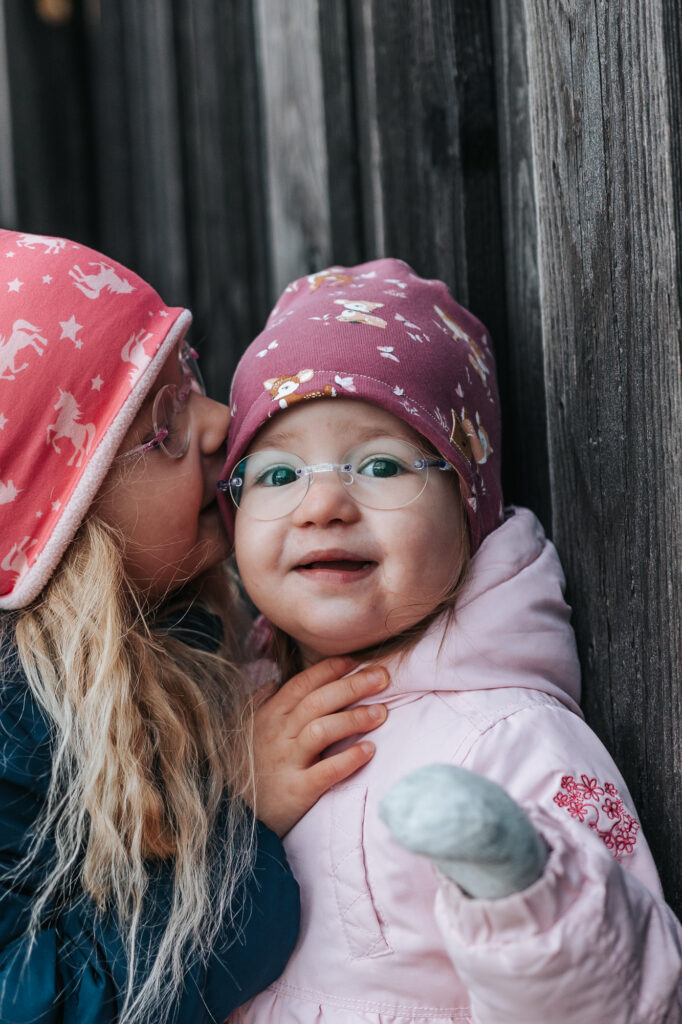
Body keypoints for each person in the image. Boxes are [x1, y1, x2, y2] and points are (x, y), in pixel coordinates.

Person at [218, 258, 682, 1023]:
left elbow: (630, 1003)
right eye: (275, 475)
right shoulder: (226, 710)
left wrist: (520, 883)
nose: (324, 504)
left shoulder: (509, 735)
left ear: (469, 505)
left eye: (379, 465)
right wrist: (231, 812)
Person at [0, 230, 391, 1024]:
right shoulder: (15, 733)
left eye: (194, 376)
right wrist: (235, 821)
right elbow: (39, 1001)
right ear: (61, 532)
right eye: (164, 422)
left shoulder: (180, 628)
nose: (221, 421)